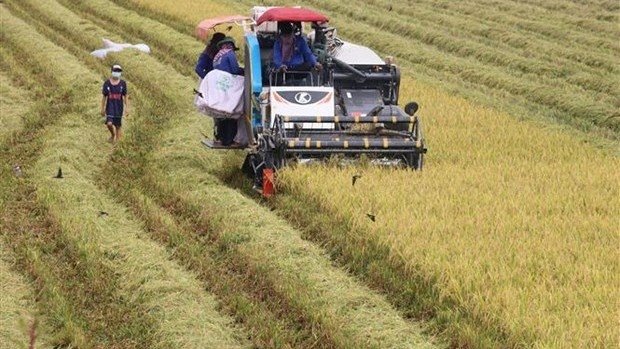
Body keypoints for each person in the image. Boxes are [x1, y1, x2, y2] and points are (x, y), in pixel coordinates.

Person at [100, 64, 128, 143]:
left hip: (119, 107)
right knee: (109, 124)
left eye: (118, 71)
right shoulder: (107, 83)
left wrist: (127, 108)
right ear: (112, 71)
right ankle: (113, 134)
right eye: (115, 71)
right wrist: (102, 108)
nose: (117, 72)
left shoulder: (123, 83)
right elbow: (104, 97)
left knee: (118, 126)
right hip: (110, 107)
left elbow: (125, 96)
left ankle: (117, 144)